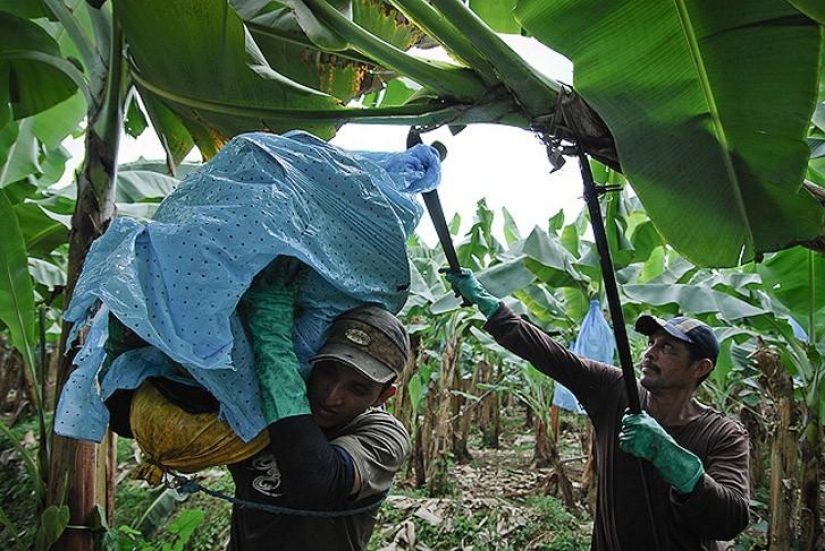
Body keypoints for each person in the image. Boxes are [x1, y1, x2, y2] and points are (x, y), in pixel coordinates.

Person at [444, 269, 750, 551]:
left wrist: (669, 456)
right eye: (652, 342)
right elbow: (552, 355)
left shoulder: (722, 434)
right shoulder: (617, 390)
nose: (650, 352)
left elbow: (731, 519)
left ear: (700, 367)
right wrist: (488, 304)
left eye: (668, 348)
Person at [228, 259, 411, 551]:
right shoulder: (254, 399)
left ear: (382, 397)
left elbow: (317, 483)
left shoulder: (384, 437)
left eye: (358, 388)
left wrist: (272, 337)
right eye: (327, 371)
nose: (331, 396)